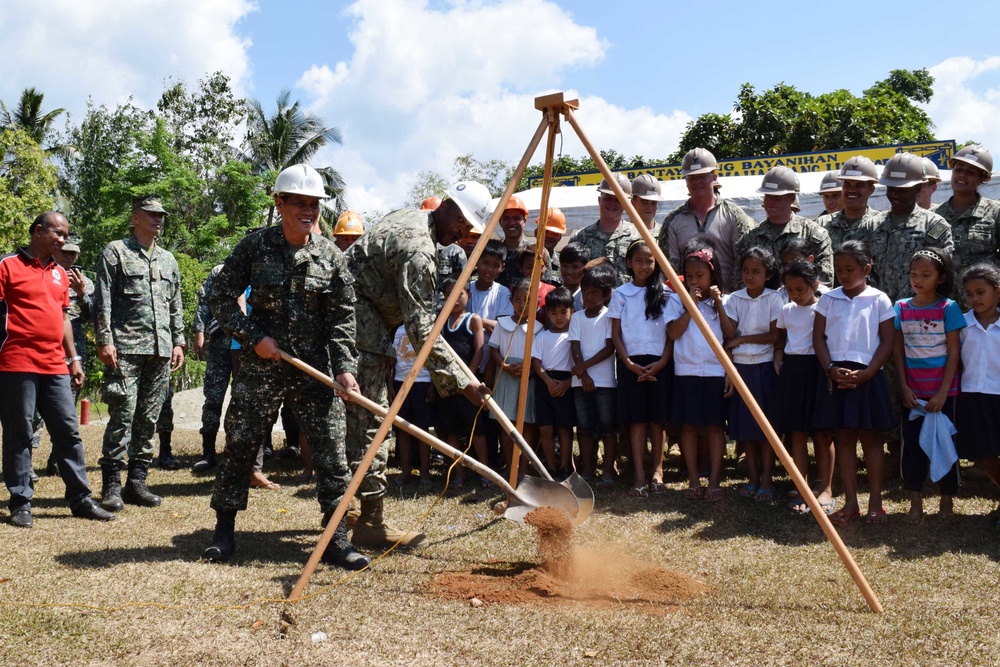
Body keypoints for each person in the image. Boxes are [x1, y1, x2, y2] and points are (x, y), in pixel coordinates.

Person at [202, 164, 365, 568]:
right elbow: (221, 298)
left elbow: (343, 317)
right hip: (261, 367)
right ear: (280, 203)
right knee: (240, 445)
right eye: (300, 203)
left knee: (331, 451)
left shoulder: (330, 256)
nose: (308, 211)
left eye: (315, 204)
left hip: (314, 369)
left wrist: (344, 366)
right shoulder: (254, 247)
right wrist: (254, 338)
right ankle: (223, 533)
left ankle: (336, 538)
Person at [345, 181, 491, 548]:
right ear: (449, 208)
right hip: (359, 329)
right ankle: (371, 523)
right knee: (371, 425)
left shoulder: (410, 216)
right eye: (462, 224)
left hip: (354, 322)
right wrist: (464, 382)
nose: (462, 234)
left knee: (352, 422)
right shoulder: (420, 252)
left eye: (469, 229)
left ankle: (344, 505)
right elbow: (421, 326)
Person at [0, 211, 115, 527]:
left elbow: (64, 318)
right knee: (19, 433)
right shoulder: (7, 266)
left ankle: (80, 499)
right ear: (38, 231)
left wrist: (74, 358)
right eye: (59, 234)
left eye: (66, 235)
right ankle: (21, 503)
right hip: (16, 363)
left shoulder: (60, 275)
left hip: (55, 366)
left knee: (68, 431)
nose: (63, 241)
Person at [95, 194, 185, 512]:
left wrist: (178, 341)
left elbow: (175, 304)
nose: (158, 219)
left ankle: (136, 483)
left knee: (149, 417)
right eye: (151, 214)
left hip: (160, 350)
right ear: (135, 217)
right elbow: (102, 299)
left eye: (161, 215)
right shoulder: (115, 252)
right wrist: (104, 340)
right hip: (126, 348)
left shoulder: (168, 260)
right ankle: (111, 485)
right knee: (122, 414)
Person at [813, 241, 895, 526]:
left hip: (868, 377)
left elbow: (887, 341)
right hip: (836, 376)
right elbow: (818, 339)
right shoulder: (828, 299)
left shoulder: (879, 299)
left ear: (867, 268)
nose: (844, 275)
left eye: (850, 269)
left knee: (871, 440)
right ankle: (850, 503)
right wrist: (831, 369)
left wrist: (869, 372)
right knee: (844, 439)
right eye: (839, 270)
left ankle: (875, 503)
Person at [893, 249, 963, 523]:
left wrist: (944, 392)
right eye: (914, 274)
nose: (918, 280)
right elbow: (898, 352)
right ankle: (915, 501)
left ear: (941, 277)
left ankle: (947, 499)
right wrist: (903, 386)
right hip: (913, 394)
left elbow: (954, 354)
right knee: (912, 447)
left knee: (946, 444)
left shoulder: (949, 308)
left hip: (943, 394)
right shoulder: (901, 307)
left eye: (926, 275)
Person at [667, 239, 736, 501]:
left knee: (715, 426)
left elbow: (730, 335)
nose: (695, 281)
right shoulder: (676, 301)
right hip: (687, 371)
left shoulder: (725, 301)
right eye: (690, 276)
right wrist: (691, 307)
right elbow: (673, 332)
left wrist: (718, 304)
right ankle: (693, 479)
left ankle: (715, 480)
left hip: (716, 372)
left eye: (701, 275)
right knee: (688, 427)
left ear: (713, 274)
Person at [610, 240, 672, 498]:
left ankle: (657, 471)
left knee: (657, 421)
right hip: (631, 364)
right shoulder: (621, 294)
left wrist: (662, 362)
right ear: (628, 263)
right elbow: (615, 335)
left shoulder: (667, 293)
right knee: (636, 421)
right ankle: (638, 474)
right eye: (638, 261)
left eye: (649, 261)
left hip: (660, 362)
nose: (644, 266)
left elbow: (672, 334)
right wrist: (628, 364)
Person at [774, 259, 835, 515]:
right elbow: (779, 339)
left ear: (815, 284)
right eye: (790, 290)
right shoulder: (786, 310)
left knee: (822, 433)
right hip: (793, 372)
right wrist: (778, 355)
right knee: (797, 433)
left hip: (819, 370)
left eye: (801, 289)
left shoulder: (826, 307)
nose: (795, 295)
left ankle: (827, 488)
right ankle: (802, 486)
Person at [855, 152, 954, 304]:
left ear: (918, 188)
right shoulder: (871, 225)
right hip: (878, 310)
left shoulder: (934, 225)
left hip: (920, 311)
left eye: (901, 189)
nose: (895, 194)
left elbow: (942, 273)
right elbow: (860, 269)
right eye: (891, 188)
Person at [725, 247, 783, 503]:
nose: (749, 276)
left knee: (766, 427)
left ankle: (768, 479)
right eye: (746, 270)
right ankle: (752, 478)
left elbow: (775, 335)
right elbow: (728, 334)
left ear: (768, 274)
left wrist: (742, 340)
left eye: (756, 271)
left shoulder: (774, 298)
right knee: (747, 427)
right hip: (741, 368)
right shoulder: (734, 299)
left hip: (764, 366)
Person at [659, 148, 756, 292]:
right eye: (692, 177)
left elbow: (744, 263)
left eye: (702, 176)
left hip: (728, 302)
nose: (697, 182)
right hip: (688, 303)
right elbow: (670, 269)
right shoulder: (672, 221)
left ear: (714, 177)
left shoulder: (734, 216)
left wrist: (733, 302)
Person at [738, 166, 834, 286]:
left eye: (776, 197)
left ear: (792, 198)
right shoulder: (751, 237)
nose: (770, 201)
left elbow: (825, 280)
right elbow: (739, 279)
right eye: (767, 196)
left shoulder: (814, 234)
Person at [956, 264, 1000, 515]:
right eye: (969, 293)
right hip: (973, 396)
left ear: (997, 291)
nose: (974, 298)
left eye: (981, 292)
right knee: (982, 454)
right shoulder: (961, 325)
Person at [436, 277, 488, 492]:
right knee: (451, 431)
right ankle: (458, 473)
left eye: (459, 294)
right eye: (449, 294)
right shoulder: (441, 320)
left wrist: (470, 379)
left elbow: (479, 350)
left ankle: (485, 473)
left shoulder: (472, 319)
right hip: (447, 385)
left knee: (476, 430)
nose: (454, 299)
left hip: (468, 384)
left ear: (469, 295)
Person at [569, 262, 618, 484]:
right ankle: (587, 470)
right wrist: (583, 375)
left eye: (595, 293)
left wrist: (584, 367)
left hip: (606, 383)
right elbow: (574, 346)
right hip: (580, 383)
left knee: (608, 429)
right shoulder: (577, 317)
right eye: (586, 292)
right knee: (585, 428)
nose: (589, 297)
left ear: (606, 294)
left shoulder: (609, 316)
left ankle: (608, 471)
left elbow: (610, 347)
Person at [488, 278, 540, 470]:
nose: (522, 305)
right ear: (511, 301)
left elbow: (538, 356)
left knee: (526, 424)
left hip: (528, 379)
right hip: (506, 377)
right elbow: (493, 350)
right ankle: (510, 466)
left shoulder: (538, 328)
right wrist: (505, 366)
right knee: (507, 424)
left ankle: (524, 468)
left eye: (527, 300)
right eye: (518, 300)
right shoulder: (502, 324)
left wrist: (529, 370)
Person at [530, 287, 577, 477]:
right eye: (553, 312)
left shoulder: (574, 337)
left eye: (563, 312)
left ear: (572, 311)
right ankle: (549, 468)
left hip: (567, 384)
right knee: (546, 429)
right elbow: (536, 362)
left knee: (565, 428)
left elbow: (578, 362)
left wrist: (567, 383)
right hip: (544, 384)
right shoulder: (541, 336)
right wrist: (548, 381)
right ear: (547, 313)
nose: (558, 317)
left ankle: (566, 467)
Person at [932, 145, 1000, 276]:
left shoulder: (995, 212)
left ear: (983, 178)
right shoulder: (934, 214)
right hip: (944, 293)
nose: (962, 175)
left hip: (980, 294)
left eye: (971, 172)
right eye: (958, 169)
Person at [190, 264, 232, 473]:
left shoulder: (259, 268)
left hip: (250, 347)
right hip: (219, 346)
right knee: (213, 399)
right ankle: (208, 453)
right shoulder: (219, 271)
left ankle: (256, 450)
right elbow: (204, 302)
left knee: (249, 400)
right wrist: (199, 332)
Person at [573, 173, 639, 286]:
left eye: (618, 199)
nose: (612, 203)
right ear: (599, 200)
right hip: (592, 301)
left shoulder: (638, 237)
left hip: (628, 302)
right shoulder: (581, 237)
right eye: (608, 198)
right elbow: (571, 275)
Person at [390, 324, 436, 488]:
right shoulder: (398, 329)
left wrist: (433, 385)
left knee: (422, 430)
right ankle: (406, 470)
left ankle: (424, 471)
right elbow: (392, 359)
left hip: (422, 383)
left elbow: (434, 357)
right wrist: (390, 386)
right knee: (403, 429)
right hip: (400, 383)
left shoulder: (426, 327)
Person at [817, 155, 880, 256]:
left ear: (871, 190)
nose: (851, 190)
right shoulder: (823, 224)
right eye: (847, 184)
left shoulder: (880, 224)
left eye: (859, 185)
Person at [469, 240, 513, 371]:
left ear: (502, 268)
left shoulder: (502, 292)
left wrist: (491, 365)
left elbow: (502, 328)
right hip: (465, 355)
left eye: (495, 265)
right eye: (485, 263)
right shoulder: (465, 289)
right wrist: (483, 323)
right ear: (477, 261)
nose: (489, 269)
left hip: (490, 357)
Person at [497, 195, 533, 288]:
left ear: (524, 221)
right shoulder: (494, 252)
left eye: (516, 218)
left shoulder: (535, 252)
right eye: (506, 219)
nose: (512, 222)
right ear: (500, 222)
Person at [536, 207, 567, 286]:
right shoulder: (524, 258)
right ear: (536, 233)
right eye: (546, 232)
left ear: (560, 238)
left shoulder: (564, 263)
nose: (549, 236)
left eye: (554, 233)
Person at [558, 242, 590, 312]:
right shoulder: (555, 295)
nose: (569, 271)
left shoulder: (588, 297)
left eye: (575, 267)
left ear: (585, 268)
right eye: (565, 266)